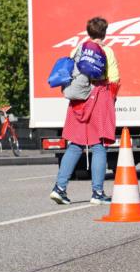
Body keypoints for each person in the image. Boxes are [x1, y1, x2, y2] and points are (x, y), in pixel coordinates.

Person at [50, 17, 121, 205]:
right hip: (99, 98)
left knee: (75, 145)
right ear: (105, 33)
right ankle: (97, 193)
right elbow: (114, 79)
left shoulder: (77, 49)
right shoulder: (107, 51)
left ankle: (60, 188)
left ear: (88, 32)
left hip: (78, 102)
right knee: (99, 146)